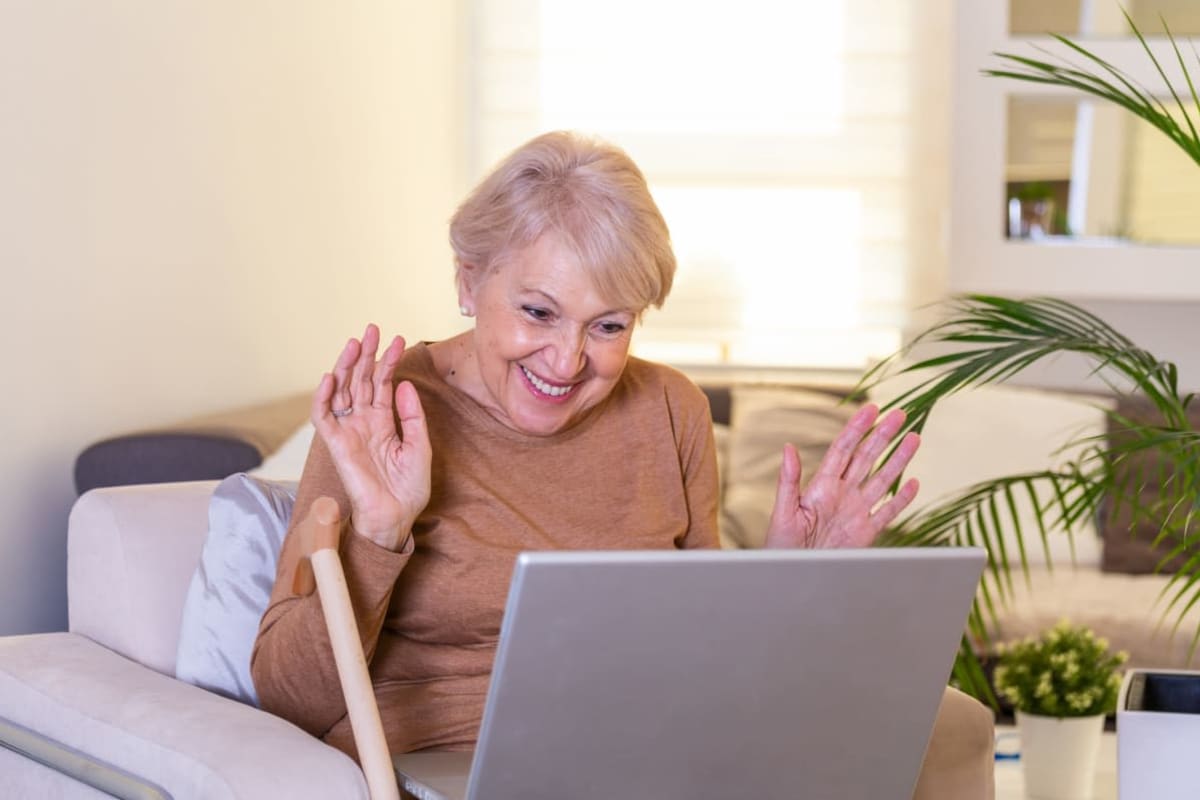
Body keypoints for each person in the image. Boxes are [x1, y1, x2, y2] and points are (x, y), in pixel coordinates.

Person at [250, 130, 921, 759]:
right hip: (451, 755)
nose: (567, 361)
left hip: (645, 740)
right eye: (538, 312)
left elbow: (702, 651)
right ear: (468, 281)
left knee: (918, 727)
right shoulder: (380, 415)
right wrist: (380, 534)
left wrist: (782, 586)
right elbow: (287, 700)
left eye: (607, 325)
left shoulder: (669, 408)